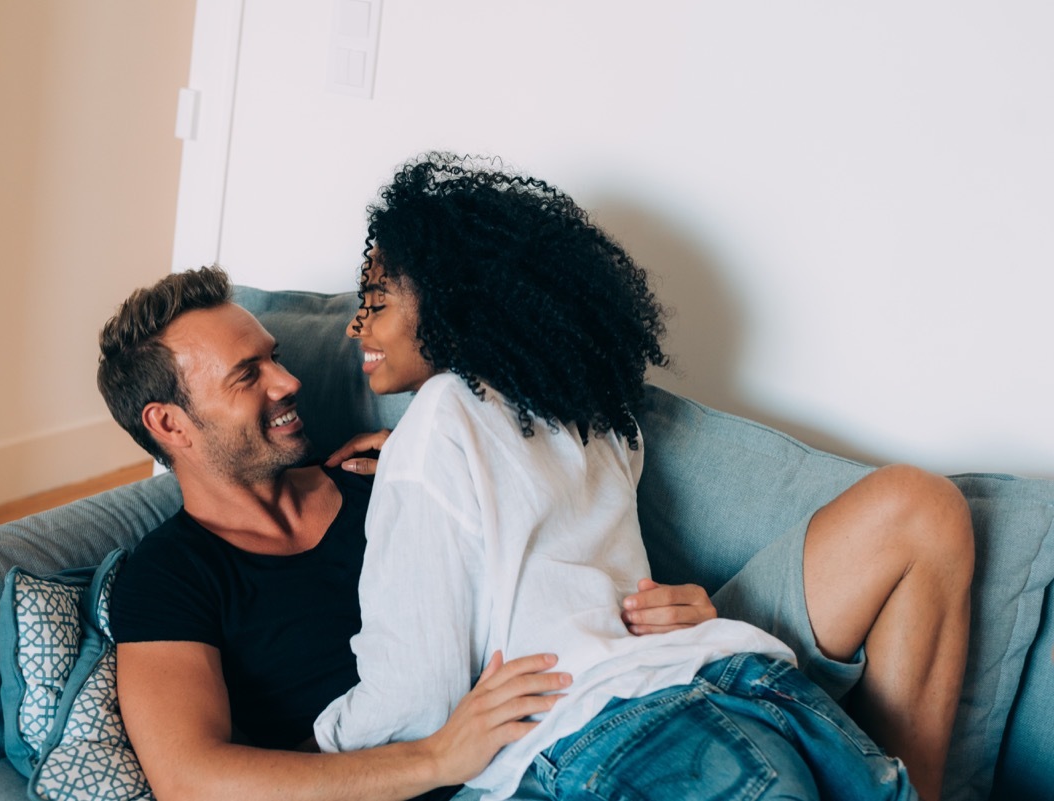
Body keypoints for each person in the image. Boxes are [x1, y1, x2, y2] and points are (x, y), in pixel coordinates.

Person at [314, 153, 973, 801]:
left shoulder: (435, 424)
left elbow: (414, 704)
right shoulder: (593, 414)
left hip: (596, 737)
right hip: (740, 682)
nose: (355, 323)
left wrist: (316, 749)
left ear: (449, 296)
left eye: (376, 299)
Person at [99, 266, 716, 801]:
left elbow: (564, 554)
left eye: (275, 357)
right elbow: (192, 781)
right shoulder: (167, 576)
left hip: (552, 746)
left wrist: (668, 611)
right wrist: (438, 759)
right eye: (247, 375)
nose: (287, 382)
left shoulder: (387, 478)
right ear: (170, 425)